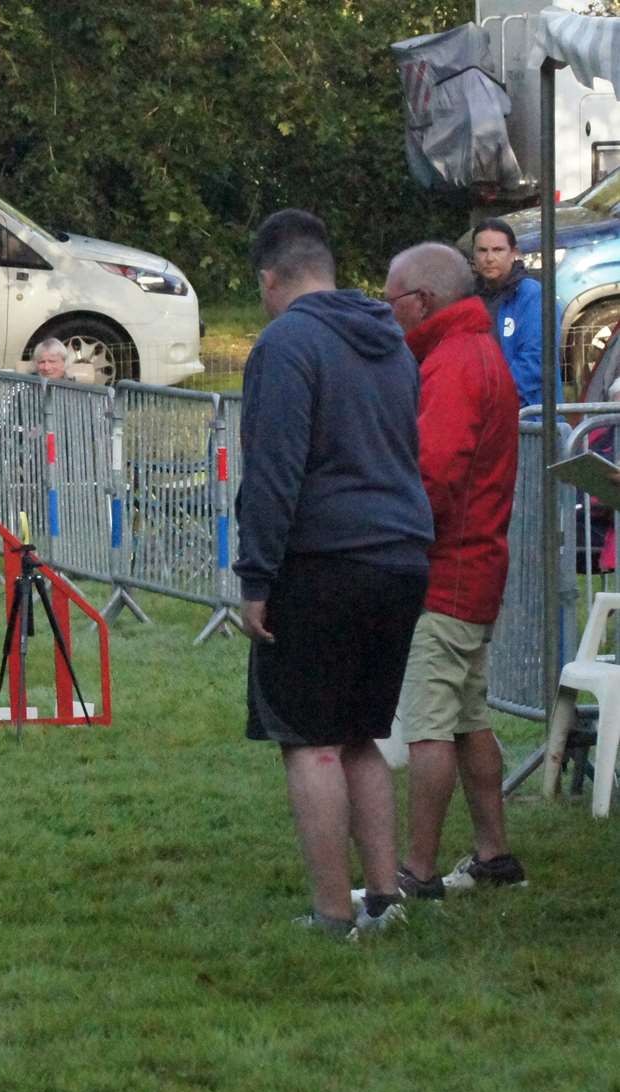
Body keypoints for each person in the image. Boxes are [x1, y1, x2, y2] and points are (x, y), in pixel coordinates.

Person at [234, 209, 435, 939]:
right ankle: (382, 897)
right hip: (402, 555)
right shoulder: (390, 340)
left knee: (312, 740)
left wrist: (257, 577)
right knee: (361, 736)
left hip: (323, 561)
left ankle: (330, 911)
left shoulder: (287, 344)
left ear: (270, 279)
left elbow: (274, 468)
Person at [382, 242, 525, 897]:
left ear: (425, 301)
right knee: (469, 718)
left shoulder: (451, 364)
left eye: (393, 301)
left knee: (430, 727)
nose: (390, 314)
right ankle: (494, 855)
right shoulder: (480, 351)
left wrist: (385, 538)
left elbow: (429, 477)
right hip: (475, 567)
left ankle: (417, 871)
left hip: (445, 573)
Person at [470, 218, 551, 410]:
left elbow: (534, 363)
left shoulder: (532, 295)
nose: (489, 258)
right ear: (473, 255)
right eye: (482, 250)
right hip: (482, 414)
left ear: (514, 253)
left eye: (498, 250)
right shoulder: (467, 298)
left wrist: (489, 398)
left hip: (530, 420)